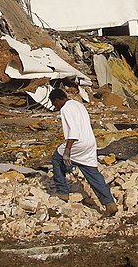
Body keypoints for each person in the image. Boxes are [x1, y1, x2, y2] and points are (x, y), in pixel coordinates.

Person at [48, 88, 118, 217]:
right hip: (90, 142)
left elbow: (73, 132)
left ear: (57, 100)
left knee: (56, 158)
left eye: (54, 104)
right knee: (92, 173)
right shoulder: (78, 104)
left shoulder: (65, 109)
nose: (55, 107)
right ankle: (109, 203)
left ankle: (62, 191)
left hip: (77, 143)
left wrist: (67, 151)